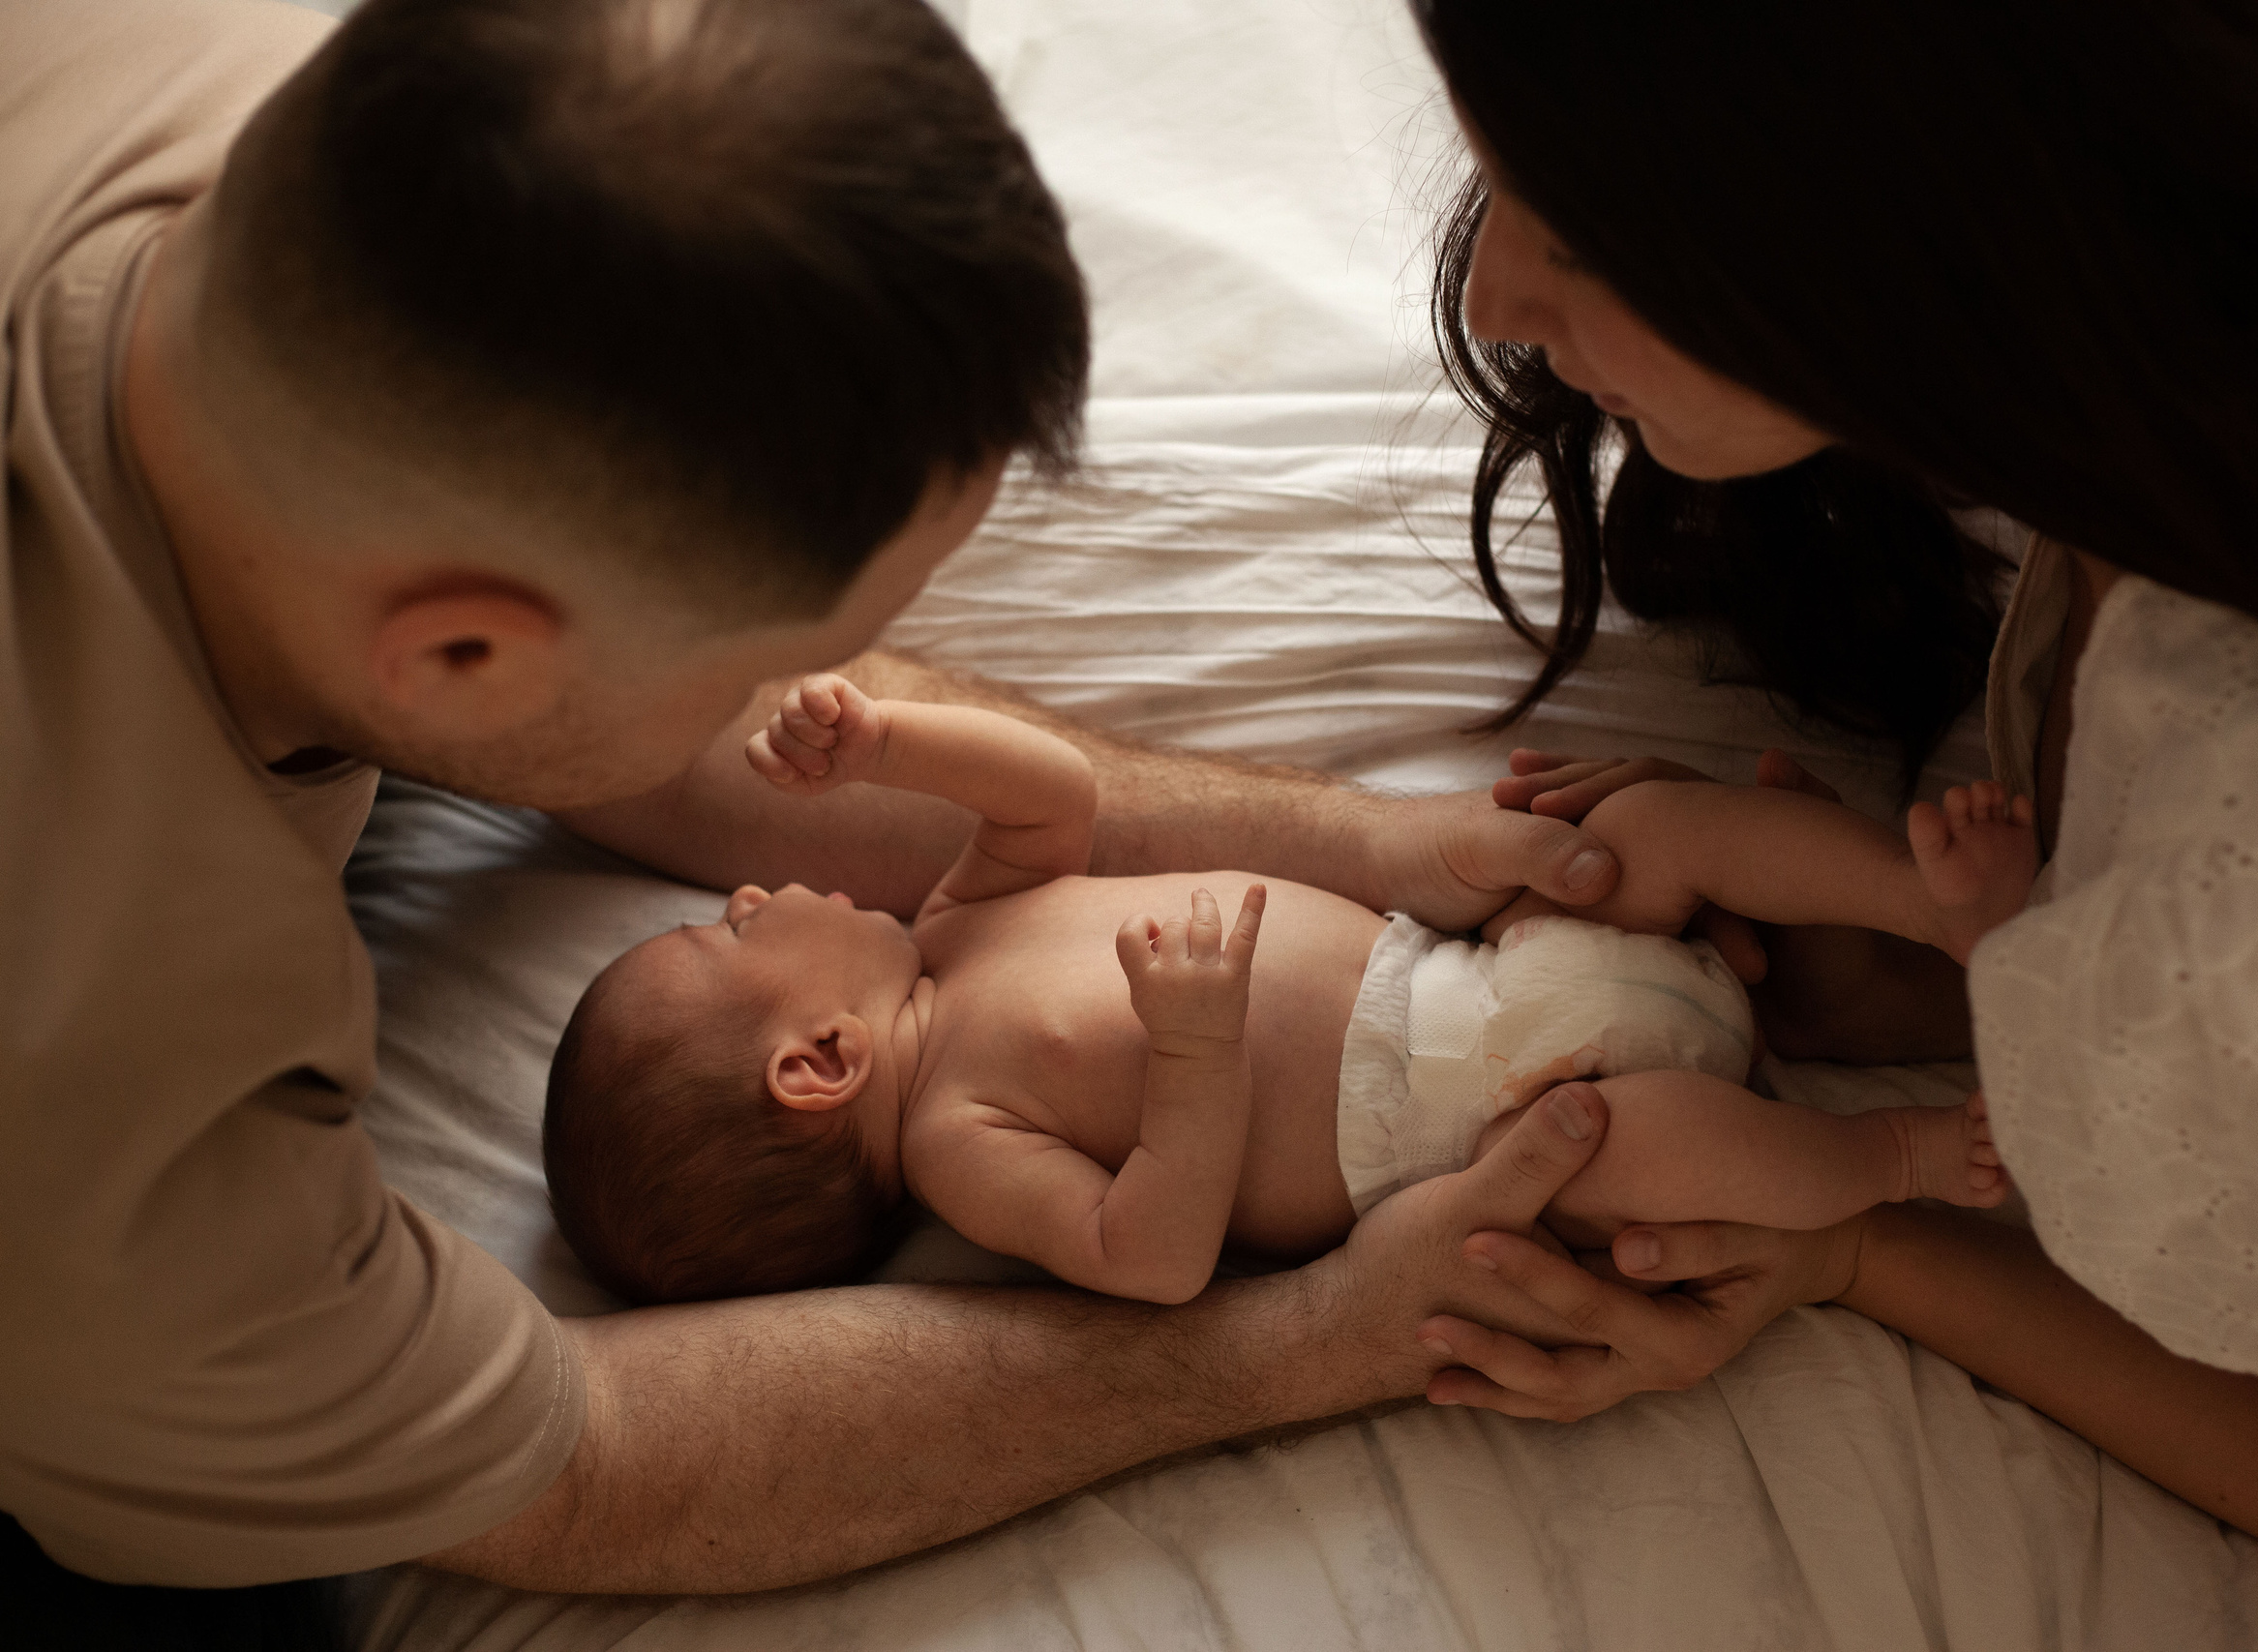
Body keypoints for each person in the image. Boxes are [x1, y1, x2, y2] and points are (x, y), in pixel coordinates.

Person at [0, 0, 1641, 1634]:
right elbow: (585, 1465)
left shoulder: (261, 66)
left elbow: (711, 751)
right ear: (459, 656)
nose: (807, 710)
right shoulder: (108, 1164)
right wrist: (1326, 1336)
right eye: (768, 660)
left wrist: (1365, 847)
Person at [1400, 0, 2258, 1592]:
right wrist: (1968, 964)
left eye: (1577, 224)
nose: (1493, 298)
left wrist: (1858, 1239)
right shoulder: (2229, 218)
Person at [542, 673, 2018, 1308]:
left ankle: (1929, 905)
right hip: (1498, 1120)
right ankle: (1892, 1156)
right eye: (724, 939)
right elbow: (1147, 1259)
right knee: (1651, 1153)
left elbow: (1055, 798)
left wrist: (891, 745)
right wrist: (1192, 1054)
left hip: (1491, 961)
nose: (746, 896)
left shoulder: (961, 917)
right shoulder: (959, 1140)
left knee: (1645, 832)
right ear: (818, 1063)